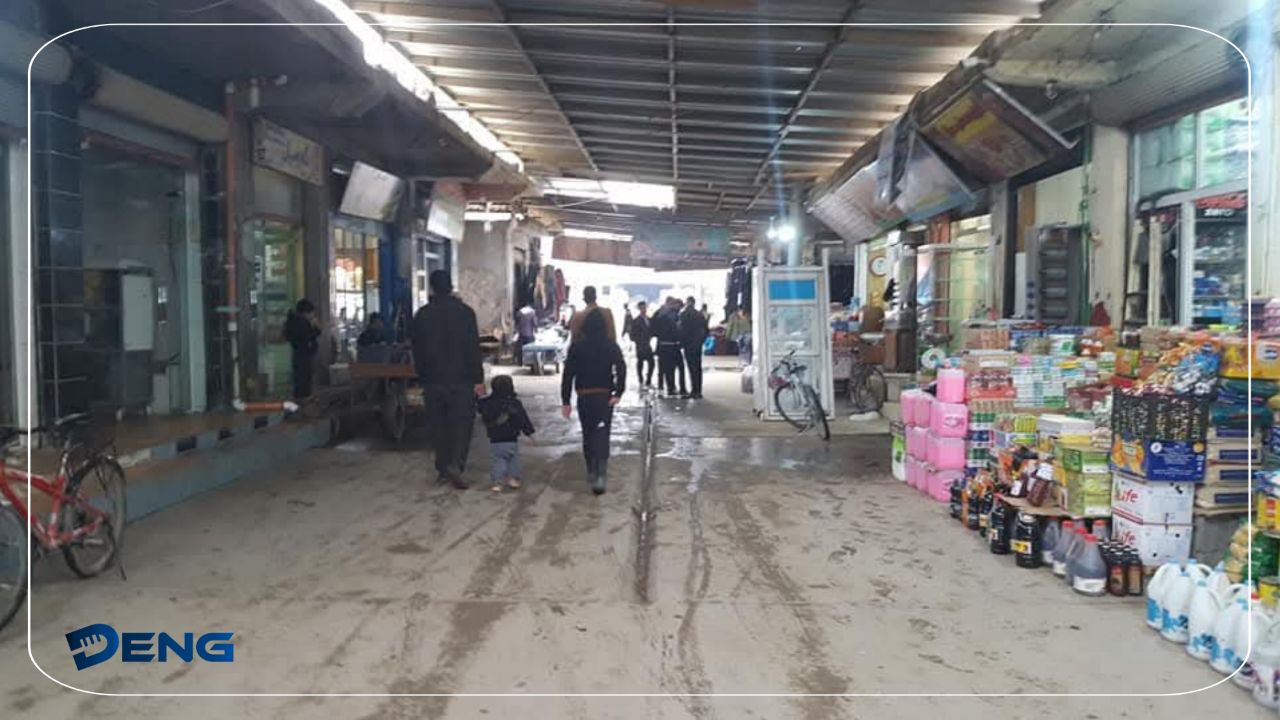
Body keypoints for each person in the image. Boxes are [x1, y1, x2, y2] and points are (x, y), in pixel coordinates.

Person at [411, 270, 485, 489]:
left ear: (432, 287)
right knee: (461, 424)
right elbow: (473, 348)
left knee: (438, 425)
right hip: (461, 380)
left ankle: (443, 468)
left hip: (433, 380)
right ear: (451, 286)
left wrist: (422, 376)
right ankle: (455, 464)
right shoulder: (465, 313)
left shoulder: (422, 315)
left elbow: (417, 349)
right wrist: (478, 378)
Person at [560, 311, 626, 495]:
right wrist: (618, 392)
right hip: (604, 397)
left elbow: (568, 374)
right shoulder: (611, 345)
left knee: (588, 433)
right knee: (602, 434)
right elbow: (621, 367)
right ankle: (600, 475)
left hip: (584, 396)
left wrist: (566, 401)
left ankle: (591, 469)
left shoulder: (576, 347)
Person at [477, 374, 535, 493]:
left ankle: (497, 482)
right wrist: (529, 432)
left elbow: (479, 407)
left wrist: (479, 395)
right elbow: (523, 419)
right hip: (511, 438)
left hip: (495, 439)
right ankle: (513, 479)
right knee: (513, 459)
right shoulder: (515, 403)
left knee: (498, 460)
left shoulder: (487, 402)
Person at [283, 298, 321, 400]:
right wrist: (314, 326)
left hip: (299, 355)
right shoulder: (302, 323)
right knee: (304, 380)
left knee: (300, 380)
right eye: (312, 313)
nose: (313, 316)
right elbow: (312, 335)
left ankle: (301, 400)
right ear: (306, 313)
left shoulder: (294, 321)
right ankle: (303, 401)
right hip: (304, 356)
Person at [651, 297, 687, 398]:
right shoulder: (670, 315)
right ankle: (675, 388)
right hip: (671, 345)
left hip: (665, 345)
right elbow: (676, 329)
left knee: (668, 369)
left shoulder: (660, 314)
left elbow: (653, 329)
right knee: (675, 368)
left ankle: (669, 387)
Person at [680, 295, 710, 400]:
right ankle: (698, 391)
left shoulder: (684, 314)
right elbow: (706, 330)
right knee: (698, 367)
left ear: (687, 302)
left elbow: (682, 330)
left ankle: (693, 390)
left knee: (691, 367)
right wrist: (701, 341)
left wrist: (682, 343)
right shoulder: (699, 315)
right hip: (697, 345)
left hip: (688, 345)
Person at [630, 300, 655, 388]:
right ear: (639, 309)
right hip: (640, 345)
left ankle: (648, 379)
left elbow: (651, 330)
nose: (643, 309)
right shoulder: (636, 321)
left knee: (651, 363)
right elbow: (632, 335)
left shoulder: (649, 319)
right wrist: (639, 340)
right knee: (640, 362)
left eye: (644, 307)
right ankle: (641, 379)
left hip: (647, 344)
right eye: (642, 308)